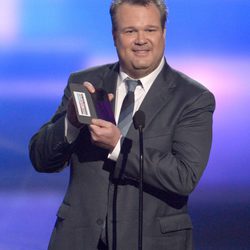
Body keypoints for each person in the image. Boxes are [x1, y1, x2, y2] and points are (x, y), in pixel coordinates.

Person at [29, 0, 215, 249]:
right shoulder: (85, 82)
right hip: (79, 240)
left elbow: (183, 177)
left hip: (150, 241)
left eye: (150, 30)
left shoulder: (191, 98)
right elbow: (41, 159)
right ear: (115, 35)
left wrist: (118, 146)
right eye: (130, 31)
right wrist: (71, 123)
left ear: (163, 33)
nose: (141, 40)